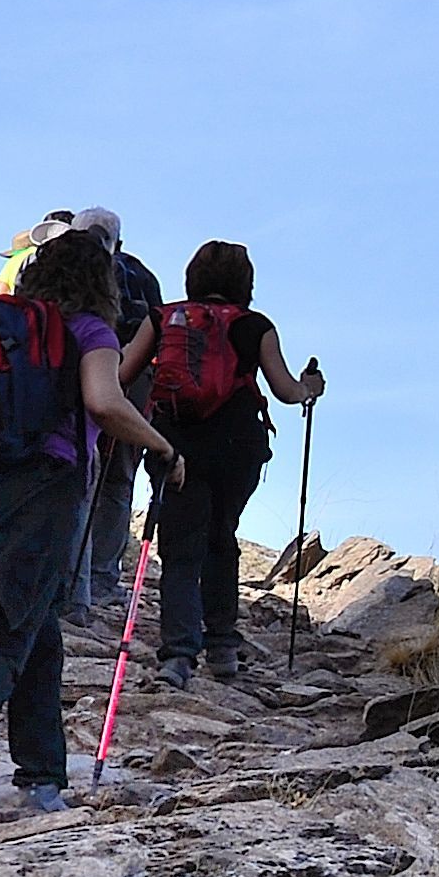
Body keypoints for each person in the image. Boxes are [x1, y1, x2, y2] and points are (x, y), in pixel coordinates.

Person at [0, 224, 173, 843]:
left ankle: (42, 777)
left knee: (37, 627)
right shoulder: (90, 330)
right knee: (3, 632)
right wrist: (161, 445)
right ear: (103, 282)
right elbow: (104, 402)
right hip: (38, 490)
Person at [141, 240, 323, 684]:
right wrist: (310, 388)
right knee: (222, 536)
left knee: (179, 549)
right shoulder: (255, 326)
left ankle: (178, 657)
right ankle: (222, 646)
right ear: (245, 282)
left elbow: (123, 373)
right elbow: (284, 391)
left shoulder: (162, 318)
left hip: (175, 442)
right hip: (237, 447)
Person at [70, 206, 162, 624]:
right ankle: (104, 576)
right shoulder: (142, 275)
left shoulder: (65, 264)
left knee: (80, 471)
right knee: (119, 478)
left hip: (83, 366)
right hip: (136, 380)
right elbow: (157, 331)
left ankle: (74, 583)